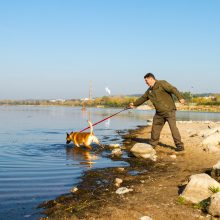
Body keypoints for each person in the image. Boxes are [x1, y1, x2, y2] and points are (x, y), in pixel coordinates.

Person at [129, 73, 185, 151]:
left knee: (173, 128)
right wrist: (134, 104)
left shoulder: (162, 83)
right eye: (145, 81)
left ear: (151, 79)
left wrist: (180, 97)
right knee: (155, 129)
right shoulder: (149, 91)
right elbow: (143, 98)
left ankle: (179, 146)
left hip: (169, 111)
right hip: (159, 113)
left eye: (146, 80)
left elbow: (173, 89)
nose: (146, 82)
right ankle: (152, 144)